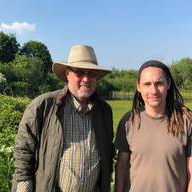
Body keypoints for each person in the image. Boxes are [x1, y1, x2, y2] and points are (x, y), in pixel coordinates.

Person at [12, 44, 115, 192]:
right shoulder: (44, 106)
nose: (86, 79)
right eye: (79, 72)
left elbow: (108, 152)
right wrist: (24, 185)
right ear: (68, 74)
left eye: (92, 74)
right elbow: (24, 149)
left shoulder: (104, 111)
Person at [115, 60, 192, 192]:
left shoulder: (188, 121)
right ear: (138, 87)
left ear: (168, 84)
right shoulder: (128, 121)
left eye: (159, 83)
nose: (153, 90)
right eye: (147, 84)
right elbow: (122, 166)